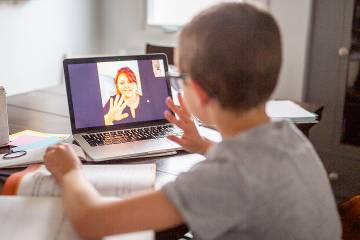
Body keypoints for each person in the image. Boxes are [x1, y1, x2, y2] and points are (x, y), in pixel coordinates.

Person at [44, 2, 341, 239]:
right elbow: (252, 172)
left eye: (180, 78)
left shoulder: (220, 179)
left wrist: (70, 172)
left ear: (197, 92)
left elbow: (93, 222)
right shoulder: (289, 137)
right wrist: (202, 144)